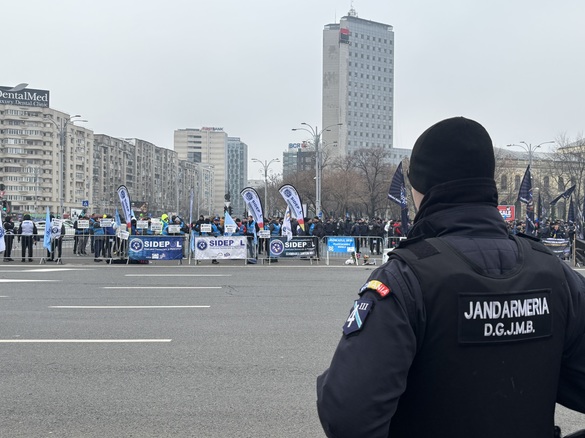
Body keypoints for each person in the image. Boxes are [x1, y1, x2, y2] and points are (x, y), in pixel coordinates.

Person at [316, 117, 585, 438]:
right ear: (489, 182)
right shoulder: (554, 272)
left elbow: (347, 416)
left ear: (419, 189)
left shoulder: (406, 277)